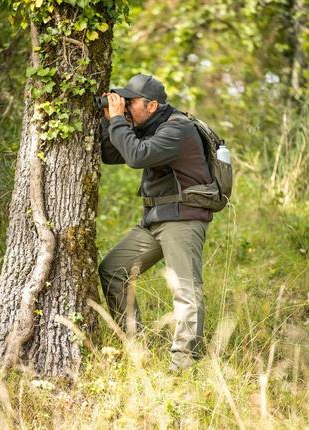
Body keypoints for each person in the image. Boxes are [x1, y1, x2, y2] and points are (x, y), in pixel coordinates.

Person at [98, 73, 213, 371]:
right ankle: (136, 349)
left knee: (185, 291)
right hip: (156, 218)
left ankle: (183, 367)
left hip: (182, 219)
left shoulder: (178, 129)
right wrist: (109, 118)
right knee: (113, 271)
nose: (125, 107)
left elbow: (136, 156)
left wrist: (118, 121)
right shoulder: (147, 124)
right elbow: (111, 153)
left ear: (151, 106)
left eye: (130, 102)